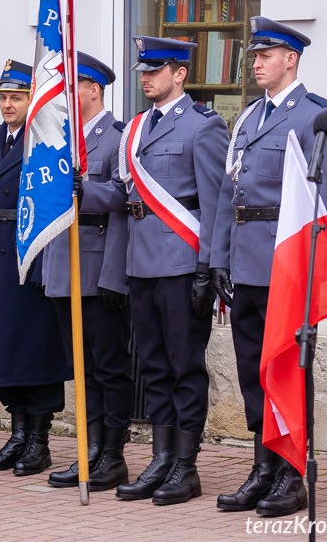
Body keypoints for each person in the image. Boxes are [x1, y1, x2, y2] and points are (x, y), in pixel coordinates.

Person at [210, 17, 327, 517]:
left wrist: (307, 267)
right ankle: (262, 467)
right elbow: (230, 193)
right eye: (253, 55)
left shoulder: (315, 115)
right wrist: (218, 257)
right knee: (253, 372)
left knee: (288, 370)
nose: (256, 62)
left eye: (265, 54)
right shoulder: (247, 120)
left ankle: (292, 474)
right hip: (245, 264)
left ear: (291, 59)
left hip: (286, 268)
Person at [110, 37, 229, 505]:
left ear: (179, 74)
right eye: (143, 69)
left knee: (184, 367)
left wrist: (208, 268)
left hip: (182, 263)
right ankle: (160, 460)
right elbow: (127, 198)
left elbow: (216, 203)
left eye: (156, 69)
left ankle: (186, 465)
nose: (146, 77)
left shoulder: (204, 127)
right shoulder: (136, 128)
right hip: (141, 262)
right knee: (153, 367)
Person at [0, 60, 72, 477]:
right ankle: (17, 434)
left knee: (36, 352)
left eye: (17, 97)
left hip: (32, 255)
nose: (8, 105)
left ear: (33, 99)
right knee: (5, 351)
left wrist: (50, 262)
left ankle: (39, 441)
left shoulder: (44, 141)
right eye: (4, 97)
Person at [42, 52, 133, 492]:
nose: (63, 94)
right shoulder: (58, 138)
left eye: (71, 86)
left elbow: (122, 202)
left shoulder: (117, 138)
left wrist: (114, 276)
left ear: (92, 89)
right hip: (63, 265)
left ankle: (112, 456)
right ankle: (88, 451)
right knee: (82, 368)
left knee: (109, 367)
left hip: (97, 268)